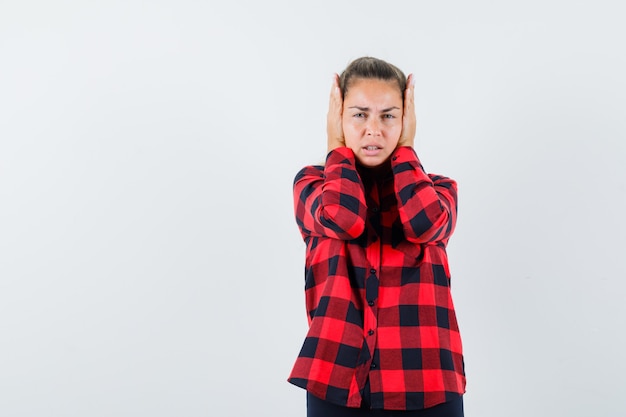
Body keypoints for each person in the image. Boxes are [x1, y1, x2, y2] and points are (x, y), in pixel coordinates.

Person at [287, 56, 466, 417]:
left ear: (406, 120)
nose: (374, 129)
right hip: (337, 382)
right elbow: (344, 220)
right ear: (338, 118)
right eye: (359, 114)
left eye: (388, 115)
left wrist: (406, 150)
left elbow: (425, 225)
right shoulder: (313, 185)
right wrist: (335, 146)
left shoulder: (439, 190)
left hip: (426, 381)